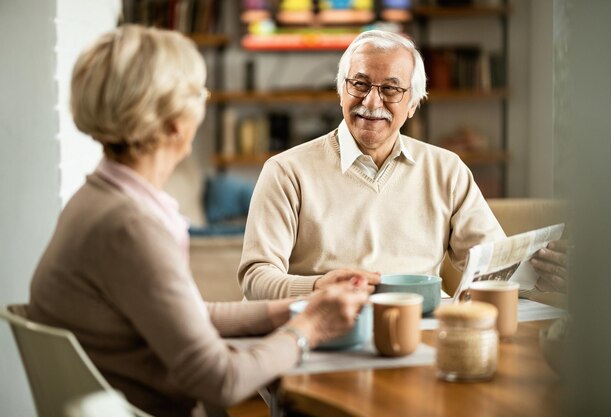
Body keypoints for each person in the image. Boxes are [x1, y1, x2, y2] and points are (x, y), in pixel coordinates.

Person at [27, 25, 370, 417]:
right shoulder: (130, 227)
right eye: (198, 93)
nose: (204, 103)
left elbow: (190, 316)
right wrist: (309, 329)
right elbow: (221, 381)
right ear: (174, 121)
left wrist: (300, 306)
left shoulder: (99, 199)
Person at [238, 30, 568, 300]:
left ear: (412, 104)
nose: (371, 101)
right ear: (342, 90)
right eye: (359, 83)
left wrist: (544, 274)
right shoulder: (285, 172)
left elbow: (495, 266)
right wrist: (317, 287)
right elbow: (256, 279)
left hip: (425, 332)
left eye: (391, 89)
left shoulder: (447, 170)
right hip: (325, 329)